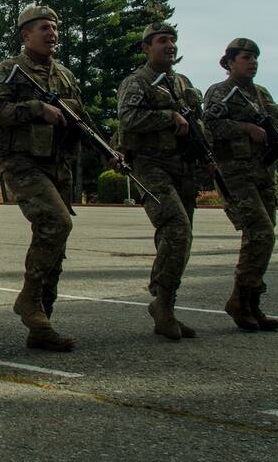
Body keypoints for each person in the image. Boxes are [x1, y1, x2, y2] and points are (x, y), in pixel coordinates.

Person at [0, 5, 120, 352]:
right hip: (21, 163)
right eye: (44, 27)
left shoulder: (65, 76)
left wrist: (108, 151)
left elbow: (83, 120)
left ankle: (42, 325)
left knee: (56, 245)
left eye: (55, 27)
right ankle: (29, 300)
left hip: (58, 165)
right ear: (25, 34)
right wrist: (35, 109)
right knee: (56, 223)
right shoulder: (10, 70)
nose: (52, 33)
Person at [116, 22, 206, 342]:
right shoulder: (137, 82)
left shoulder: (182, 83)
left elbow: (196, 123)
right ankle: (163, 305)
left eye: (173, 40)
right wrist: (169, 118)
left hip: (182, 167)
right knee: (176, 228)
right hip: (149, 165)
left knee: (181, 238)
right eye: (162, 40)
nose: (170, 45)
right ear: (146, 48)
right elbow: (128, 118)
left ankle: (165, 304)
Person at [202, 38, 278, 332]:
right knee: (260, 234)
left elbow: (276, 129)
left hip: (262, 174)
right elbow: (211, 126)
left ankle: (251, 301)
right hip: (235, 174)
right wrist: (245, 128)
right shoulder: (219, 92)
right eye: (245, 57)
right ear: (229, 62)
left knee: (263, 237)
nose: (252, 62)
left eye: (255, 57)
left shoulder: (262, 94)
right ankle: (240, 301)